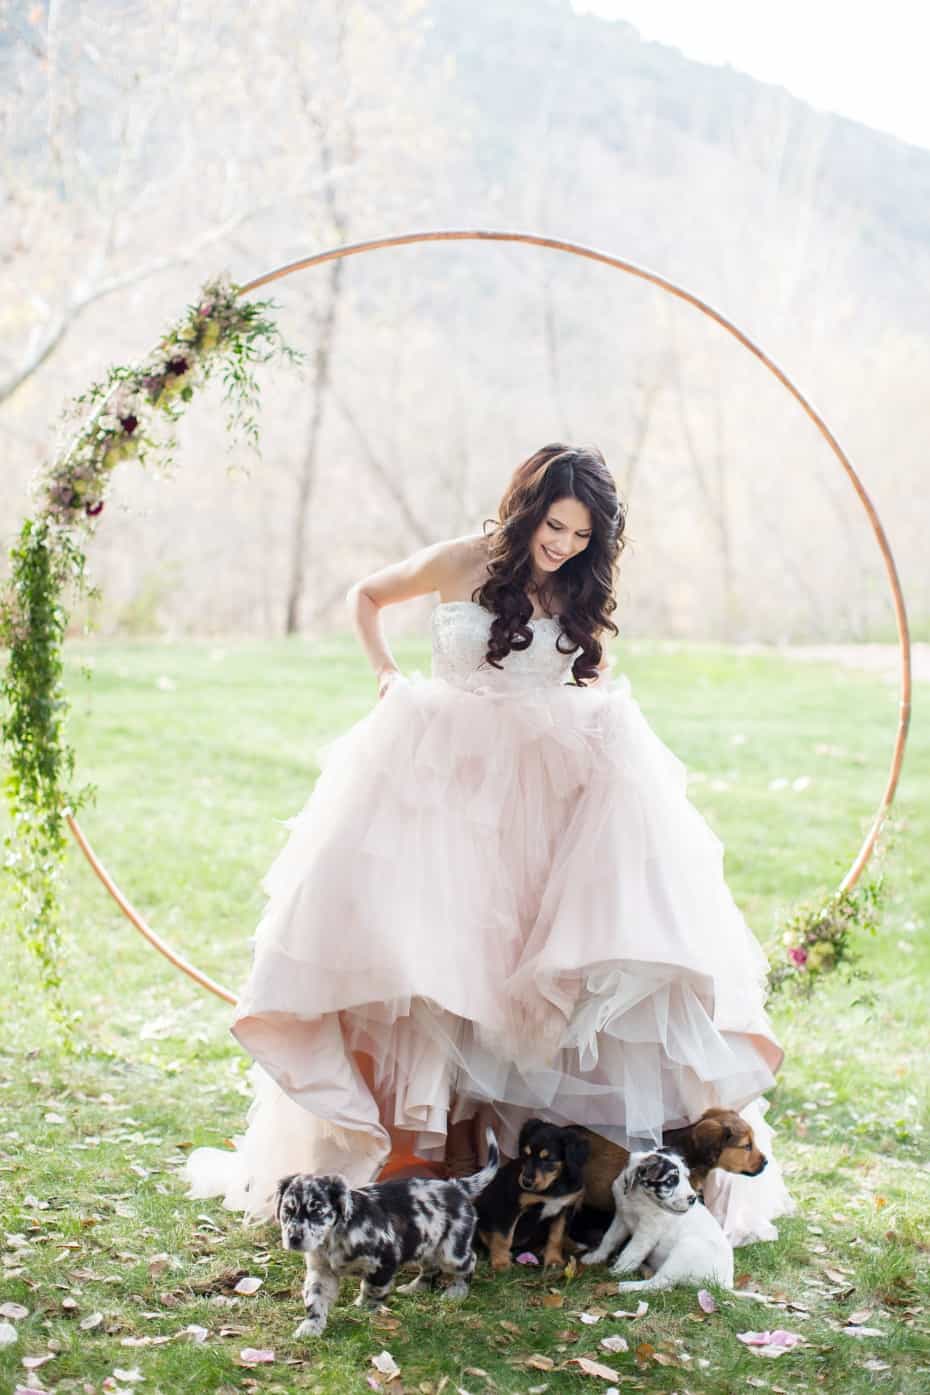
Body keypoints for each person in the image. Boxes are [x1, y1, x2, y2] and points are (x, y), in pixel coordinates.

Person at [182, 443, 793, 1246]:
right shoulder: (464, 558)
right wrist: (385, 675)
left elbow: (582, 679)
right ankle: (422, 1157)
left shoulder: (576, 584)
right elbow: (366, 595)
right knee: (436, 966)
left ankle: (533, 1169)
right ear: (527, 507)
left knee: (522, 978)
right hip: (445, 781)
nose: (565, 544)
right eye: (556, 525)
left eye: (582, 535)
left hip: (540, 793)